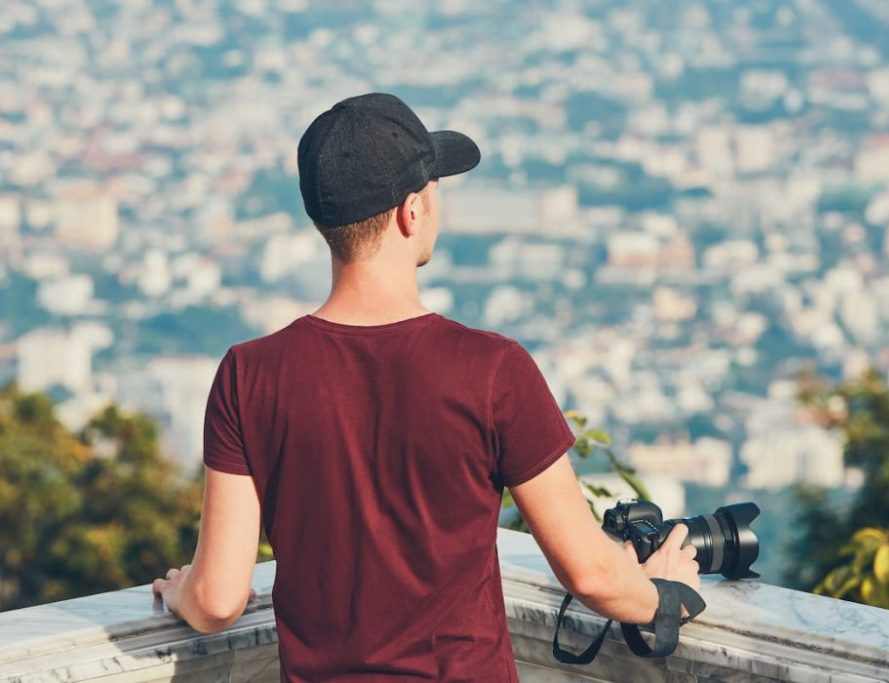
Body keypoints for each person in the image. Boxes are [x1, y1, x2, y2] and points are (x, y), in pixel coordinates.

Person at [152, 92, 701, 682]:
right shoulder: (492, 368)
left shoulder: (248, 372)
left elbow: (215, 600)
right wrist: (666, 597)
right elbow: (590, 572)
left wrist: (182, 591)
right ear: (411, 212)